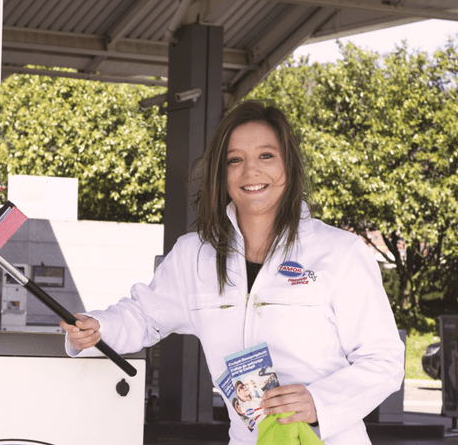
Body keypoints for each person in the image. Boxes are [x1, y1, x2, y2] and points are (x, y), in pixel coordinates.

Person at [60, 99, 404, 444]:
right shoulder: (193, 255)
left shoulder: (339, 252)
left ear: (289, 165)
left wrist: (320, 402)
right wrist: (98, 327)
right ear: (222, 174)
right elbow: (144, 315)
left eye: (266, 156)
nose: (250, 171)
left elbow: (384, 360)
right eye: (235, 160)